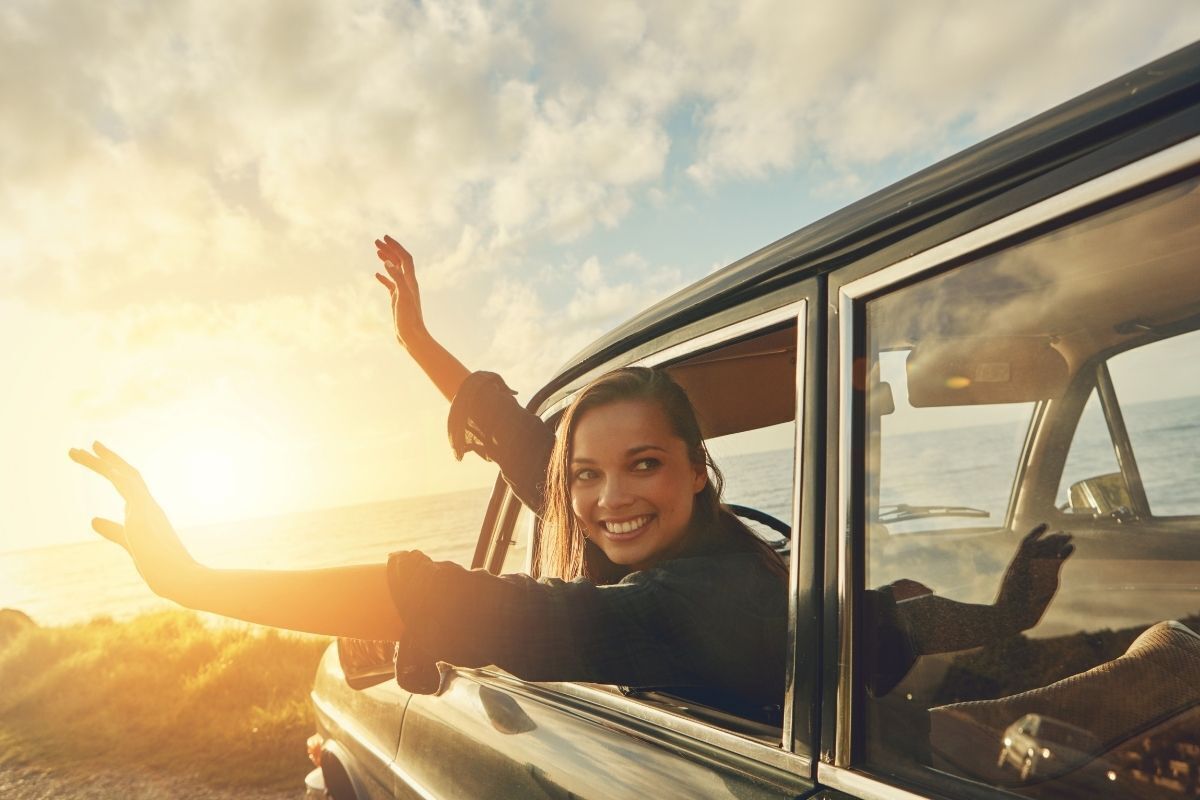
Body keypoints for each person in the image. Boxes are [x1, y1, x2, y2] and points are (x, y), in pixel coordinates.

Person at [69, 236, 1072, 721]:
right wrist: (1006, 614)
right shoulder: (745, 557)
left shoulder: (664, 605)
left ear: (694, 466)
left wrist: (192, 581)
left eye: (642, 464)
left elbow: (433, 594)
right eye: (587, 475)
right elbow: (892, 611)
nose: (602, 500)